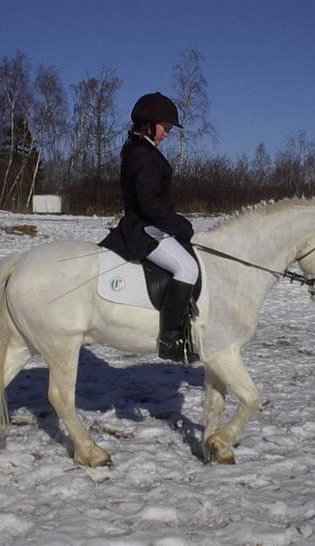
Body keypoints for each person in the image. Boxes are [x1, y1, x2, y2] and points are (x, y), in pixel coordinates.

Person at [100, 92, 199, 363]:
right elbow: (148, 203)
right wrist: (179, 225)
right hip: (143, 230)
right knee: (187, 268)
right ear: (149, 123)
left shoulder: (138, 149)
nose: (167, 133)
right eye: (165, 127)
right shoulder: (142, 154)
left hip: (149, 226)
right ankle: (170, 338)